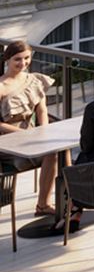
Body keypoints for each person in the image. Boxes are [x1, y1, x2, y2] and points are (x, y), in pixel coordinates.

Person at [0, 40, 58, 217]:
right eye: (18, 59)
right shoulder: (1, 87)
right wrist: (27, 135)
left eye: (27, 58)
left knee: (61, 151)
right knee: (53, 153)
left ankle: (64, 199)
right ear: (7, 60)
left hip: (33, 138)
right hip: (8, 143)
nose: (23, 63)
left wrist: (44, 132)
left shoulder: (34, 80)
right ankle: (45, 205)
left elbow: (42, 110)